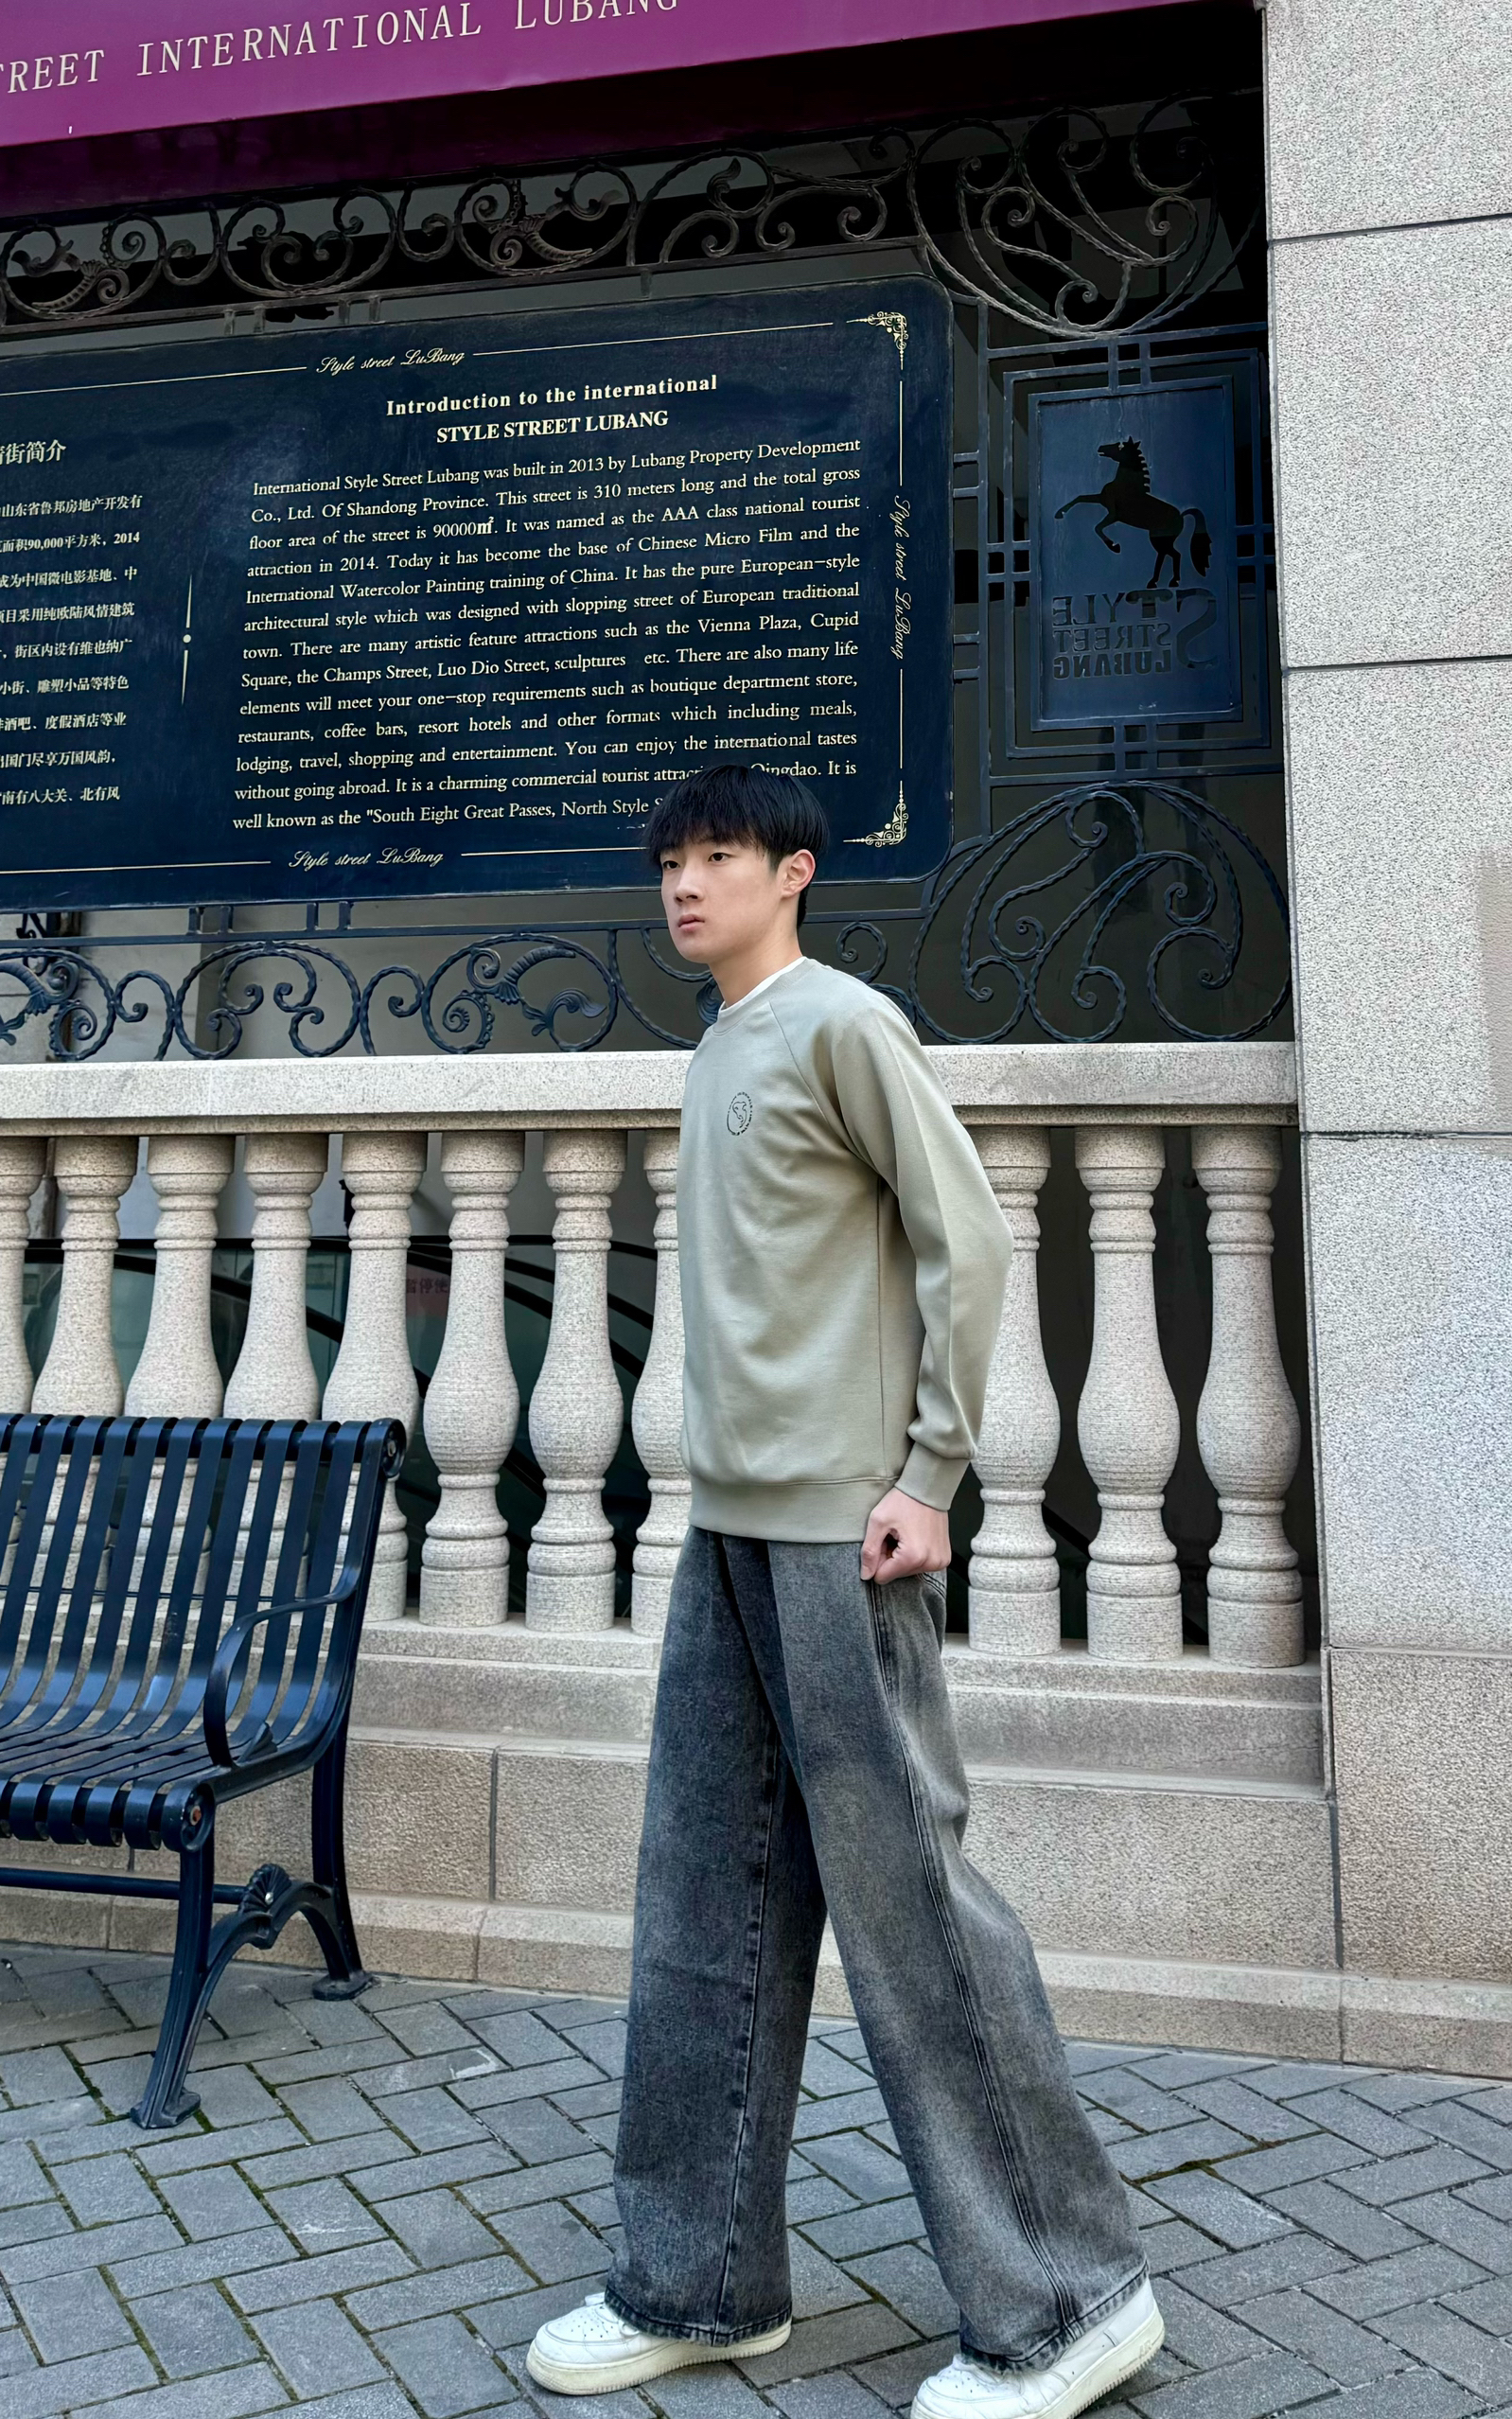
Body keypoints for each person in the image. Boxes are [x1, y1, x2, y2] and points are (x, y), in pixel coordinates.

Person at [527, 764, 1161, 2419]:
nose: (685, 884)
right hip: (731, 1529)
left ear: (793, 871)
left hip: (842, 1534)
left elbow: (970, 1240)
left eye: (718, 856)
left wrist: (929, 1474)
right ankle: (698, 2281)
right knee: (703, 1911)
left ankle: (1071, 2298)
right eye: (670, 861)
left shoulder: (844, 1026)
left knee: (912, 1917)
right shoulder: (717, 1047)